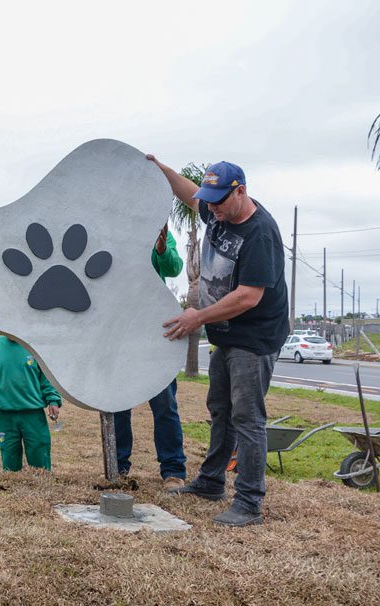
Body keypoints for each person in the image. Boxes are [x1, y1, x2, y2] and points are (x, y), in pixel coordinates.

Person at [151, 157, 289, 527]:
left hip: (254, 337)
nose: (211, 208)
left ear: (240, 192)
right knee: (220, 410)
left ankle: (249, 502)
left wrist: (197, 316)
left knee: (247, 417)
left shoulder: (260, 233)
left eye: (219, 201)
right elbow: (189, 193)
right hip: (226, 333)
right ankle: (211, 482)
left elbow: (249, 296)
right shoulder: (218, 209)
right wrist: (160, 168)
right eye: (209, 201)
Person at [114, 224, 187, 491]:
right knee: (116, 402)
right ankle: (117, 467)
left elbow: (174, 268)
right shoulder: (111, 230)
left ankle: (173, 470)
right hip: (118, 332)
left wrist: (161, 248)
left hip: (154, 332)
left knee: (164, 403)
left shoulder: (158, 231)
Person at [0, 336, 62, 471]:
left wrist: (53, 400)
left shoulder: (35, 346)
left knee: (40, 463)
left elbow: (47, 378)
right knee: (10, 464)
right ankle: (12, 482)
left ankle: (41, 482)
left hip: (33, 415)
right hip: (6, 416)